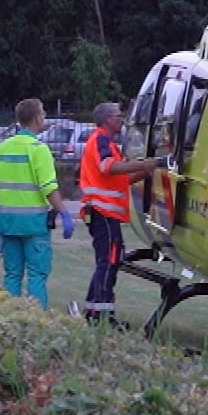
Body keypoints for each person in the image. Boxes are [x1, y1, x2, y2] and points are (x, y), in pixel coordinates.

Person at [77, 101, 157, 328]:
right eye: (118, 115)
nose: (122, 119)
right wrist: (144, 164)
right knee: (109, 261)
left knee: (110, 261)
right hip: (103, 212)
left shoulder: (107, 143)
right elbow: (108, 167)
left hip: (103, 213)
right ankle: (100, 314)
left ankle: (97, 311)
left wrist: (147, 169)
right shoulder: (102, 139)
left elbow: (120, 178)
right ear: (106, 120)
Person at [0, 97, 74, 309]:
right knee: (36, 275)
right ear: (37, 118)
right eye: (43, 113)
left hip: (8, 223)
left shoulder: (2, 148)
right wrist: (63, 212)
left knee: (12, 275)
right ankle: (36, 321)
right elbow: (49, 187)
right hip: (34, 224)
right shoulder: (39, 150)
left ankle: (9, 320)